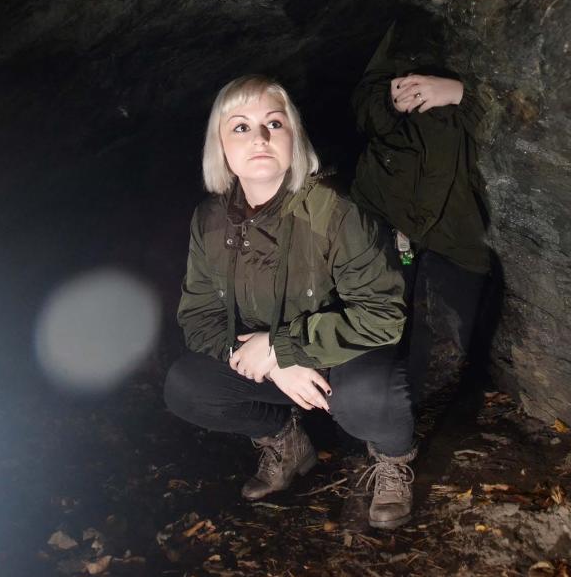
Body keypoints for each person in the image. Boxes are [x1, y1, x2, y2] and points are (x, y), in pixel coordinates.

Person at [164, 74, 416, 529]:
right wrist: (273, 359)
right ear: (220, 147)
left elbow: (382, 315)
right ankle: (284, 440)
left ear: (293, 138)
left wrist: (285, 347)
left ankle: (394, 458)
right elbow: (199, 316)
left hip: (342, 351)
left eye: (274, 123)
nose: (259, 137)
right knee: (188, 387)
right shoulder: (209, 220)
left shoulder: (336, 210)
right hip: (271, 355)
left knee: (365, 400)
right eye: (240, 126)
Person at [351, 0, 512, 405]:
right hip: (389, 202)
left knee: (453, 341)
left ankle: (405, 428)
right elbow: (364, 105)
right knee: (379, 331)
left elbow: (531, 118)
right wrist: (391, 102)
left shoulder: (518, 24)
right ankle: (383, 437)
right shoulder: (415, 29)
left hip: (455, 222)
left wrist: (458, 91)